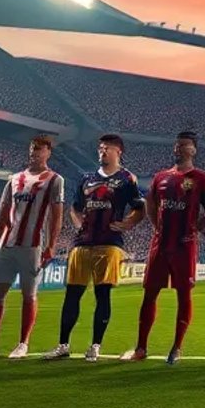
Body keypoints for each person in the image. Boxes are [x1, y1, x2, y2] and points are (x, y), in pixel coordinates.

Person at [0, 136, 65, 360]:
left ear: (48, 153)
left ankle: (23, 344)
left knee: (29, 295)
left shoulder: (54, 180)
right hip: (7, 245)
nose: (34, 153)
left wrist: (51, 245)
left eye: (39, 150)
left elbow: (56, 216)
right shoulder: (14, 179)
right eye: (32, 149)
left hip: (32, 247)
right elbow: (3, 214)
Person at [43, 134, 143, 362]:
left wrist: (128, 222)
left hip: (109, 244)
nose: (102, 151)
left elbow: (140, 206)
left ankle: (95, 346)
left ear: (119, 152)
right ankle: (63, 345)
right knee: (72, 295)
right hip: (82, 244)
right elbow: (74, 208)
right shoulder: (86, 178)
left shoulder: (127, 179)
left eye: (107, 148)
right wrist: (79, 225)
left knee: (102, 294)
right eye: (100, 148)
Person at [123, 131, 205, 365]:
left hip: (184, 246)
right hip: (160, 244)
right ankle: (141, 348)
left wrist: (195, 229)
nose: (178, 148)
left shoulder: (202, 178)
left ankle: (177, 348)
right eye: (176, 145)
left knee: (183, 295)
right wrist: (156, 225)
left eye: (184, 145)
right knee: (149, 294)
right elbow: (150, 202)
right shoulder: (161, 177)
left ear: (193, 150)